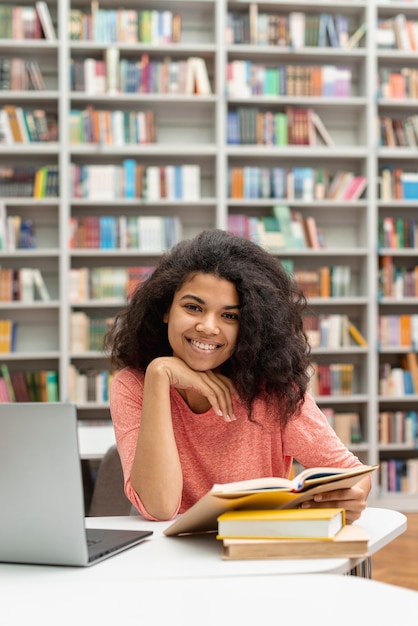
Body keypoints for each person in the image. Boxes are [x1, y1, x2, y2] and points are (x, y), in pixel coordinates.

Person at [105, 228, 372, 524]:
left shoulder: (272, 387)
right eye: (193, 307)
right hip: (169, 557)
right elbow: (159, 507)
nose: (208, 327)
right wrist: (159, 375)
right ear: (165, 309)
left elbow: (350, 473)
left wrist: (353, 496)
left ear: (250, 325)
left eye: (230, 316)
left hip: (254, 550)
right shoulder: (133, 386)